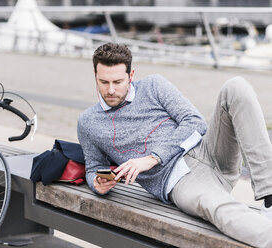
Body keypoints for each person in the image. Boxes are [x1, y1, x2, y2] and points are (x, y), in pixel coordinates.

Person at [77, 42, 272, 247]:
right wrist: (97, 183)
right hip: (179, 181)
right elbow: (93, 167)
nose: (110, 90)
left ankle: (270, 197)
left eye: (118, 81)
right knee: (219, 209)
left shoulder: (154, 85)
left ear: (131, 75)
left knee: (236, 87)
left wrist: (153, 158)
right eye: (103, 82)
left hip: (209, 150)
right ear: (94, 75)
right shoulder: (89, 122)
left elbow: (195, 122)